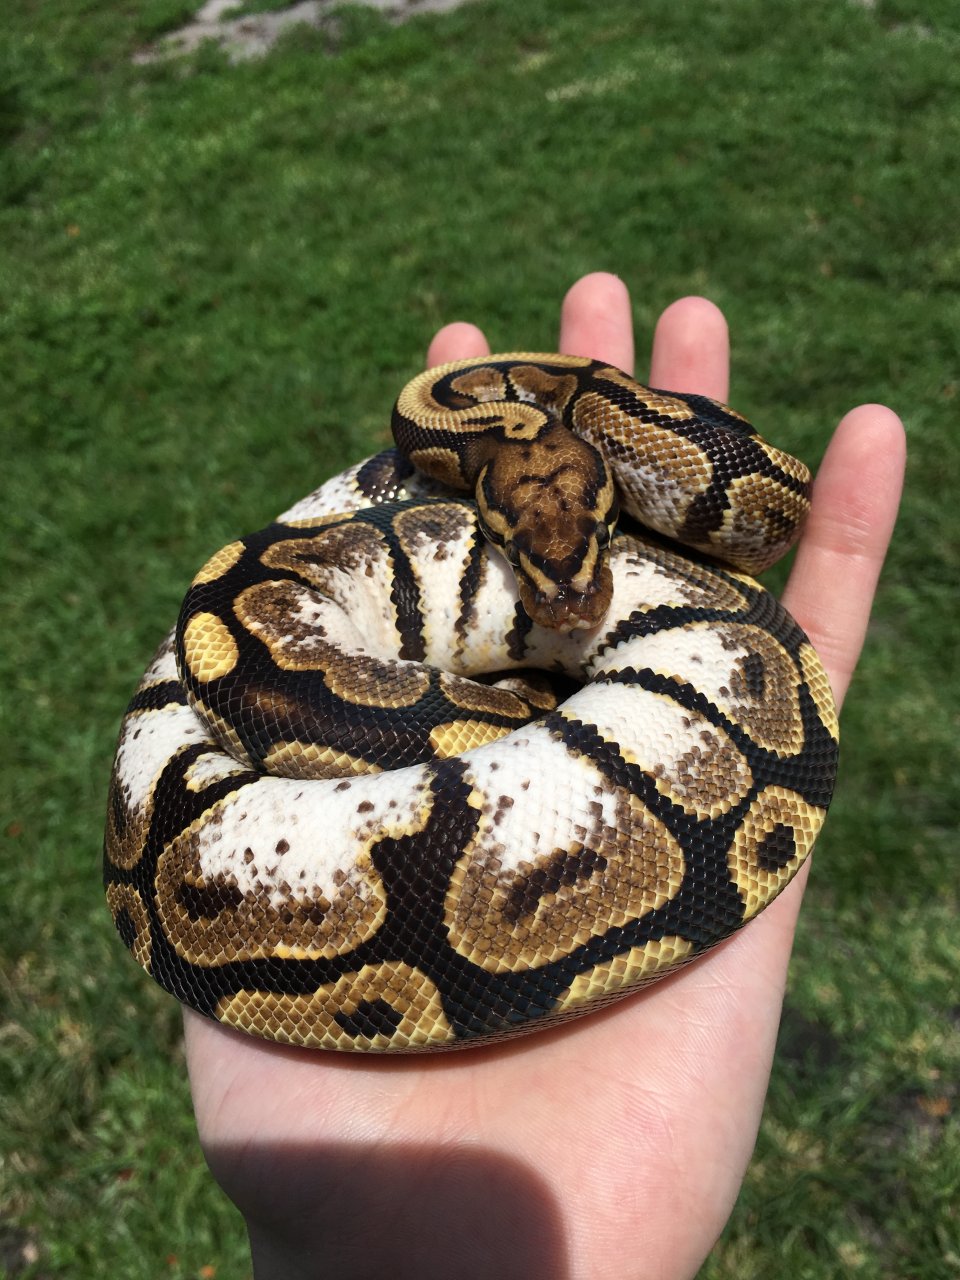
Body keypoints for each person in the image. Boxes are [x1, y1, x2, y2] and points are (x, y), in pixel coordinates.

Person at [182, 273, 906, 1280]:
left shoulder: (535, 482)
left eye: (590, 549)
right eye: (533, 559)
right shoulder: (478, 467)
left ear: (605, 489)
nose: (570, 593)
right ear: (487, 504)